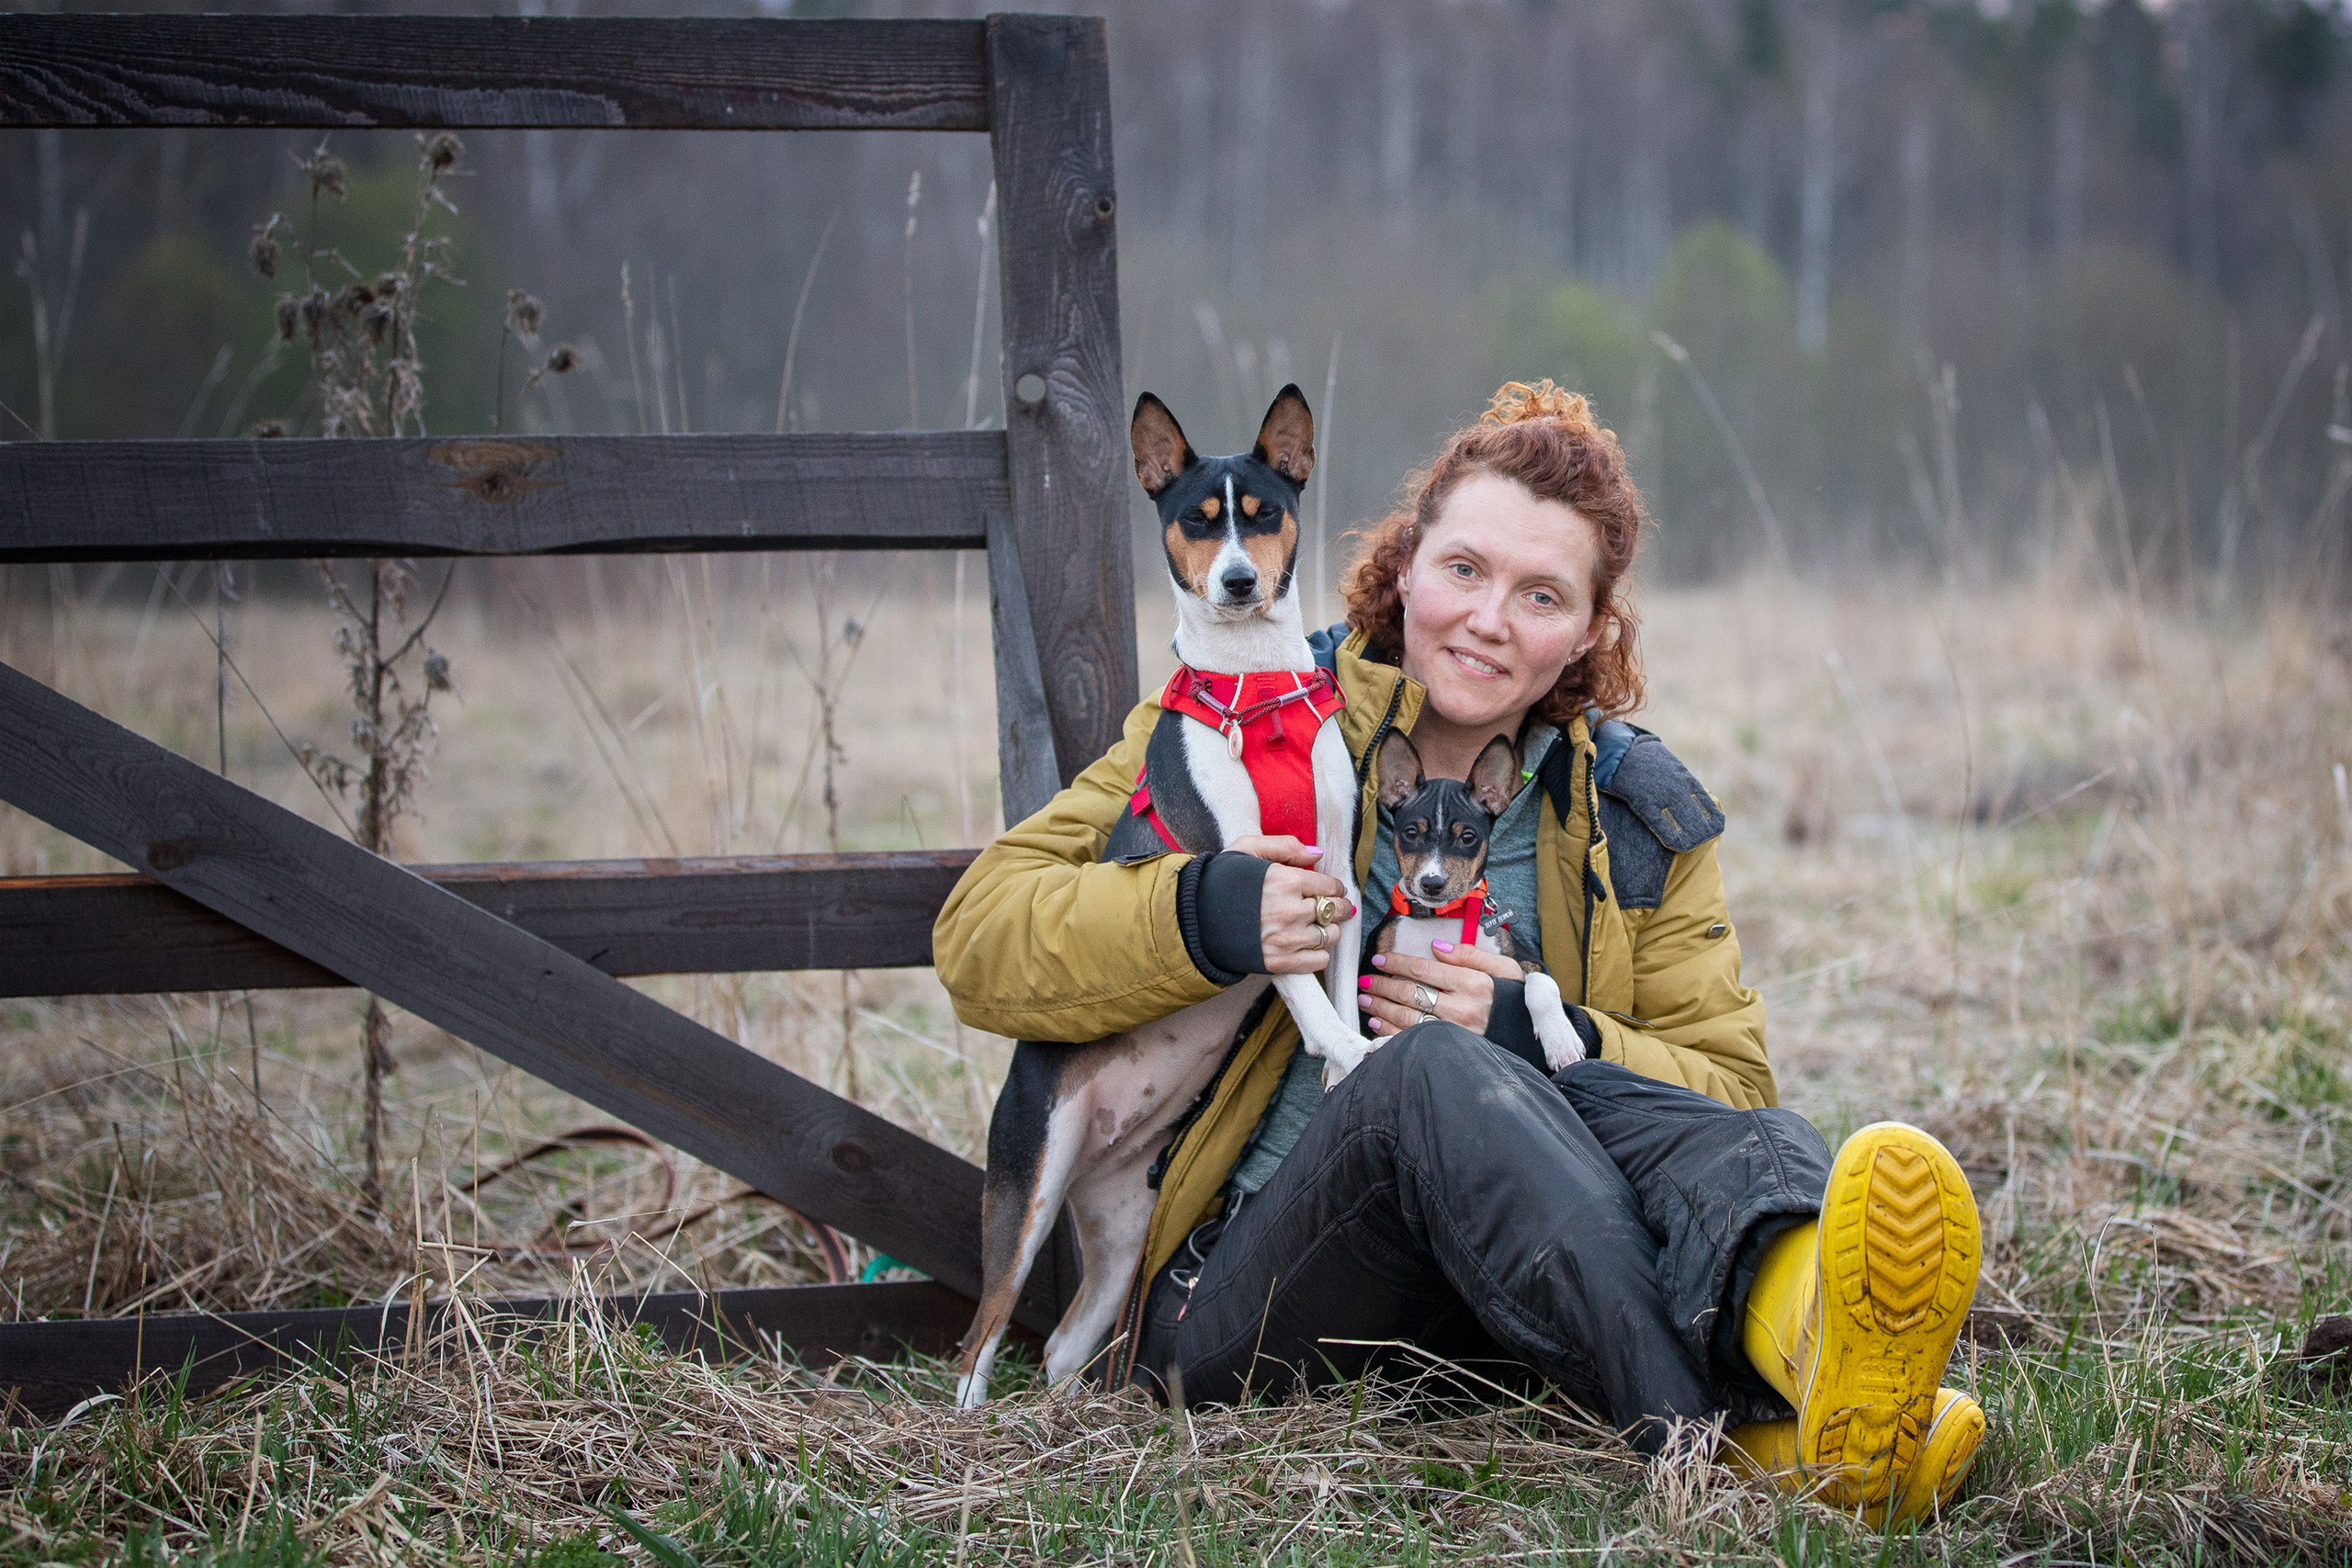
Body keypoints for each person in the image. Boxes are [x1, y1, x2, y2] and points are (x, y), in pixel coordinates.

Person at [933, 380, 1985, 1528]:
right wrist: (1203, 910)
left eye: (1541, 595)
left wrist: (1541, 1032)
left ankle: (1819, 1376)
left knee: (1756, 1139)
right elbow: (981, 933)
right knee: (1427, 1073)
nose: (1489, 619)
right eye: (1465, 569)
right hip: (1245, 1298)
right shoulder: (1250, 710)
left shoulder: (1635, 813)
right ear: (1404, 567)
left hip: (1510, 1309)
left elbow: (1726, 1086)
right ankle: (1716, 1443)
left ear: (1589, 629)